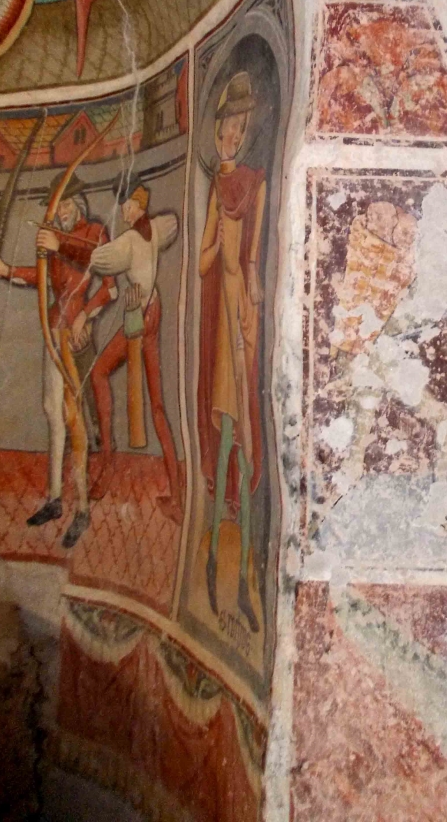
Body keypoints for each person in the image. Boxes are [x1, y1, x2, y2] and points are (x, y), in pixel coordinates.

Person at [0, 170, 116, 547]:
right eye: (56, 206)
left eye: (65, 204)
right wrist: (7, 270)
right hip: (53, 334)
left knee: (74, 419)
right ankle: (54, 498)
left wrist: (86, 315)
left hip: (75, 338)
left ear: (76, 203)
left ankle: (82, 509)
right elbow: (42, 276)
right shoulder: (54, 237)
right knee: (53, 412)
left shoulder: (92, 232)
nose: (61, 211)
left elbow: (108, 283)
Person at [198, 72, 266, 634]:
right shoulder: (215, 190)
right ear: (217, 128)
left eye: (241, 129)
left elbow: (255, 264)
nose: (234, 137)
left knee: (243, 432)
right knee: (224, 432)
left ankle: (243, 572)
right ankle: (214, 551)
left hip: (242, 316)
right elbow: (202, 262)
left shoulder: (255, 184)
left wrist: (250, 299)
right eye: (228, 127)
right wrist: (218, 239)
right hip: (218, 323)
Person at [88, 175, 183, 523]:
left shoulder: (129, 240)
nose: (123, 212)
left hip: (139, 318)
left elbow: (99, 260)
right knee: (157, 406)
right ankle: (177, 493)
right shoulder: (154, 229)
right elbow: (171, 225)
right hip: (152, 309)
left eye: (126, 205)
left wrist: (68, 247)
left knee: (98, 373)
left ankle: (107, 463)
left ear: (139, 204)